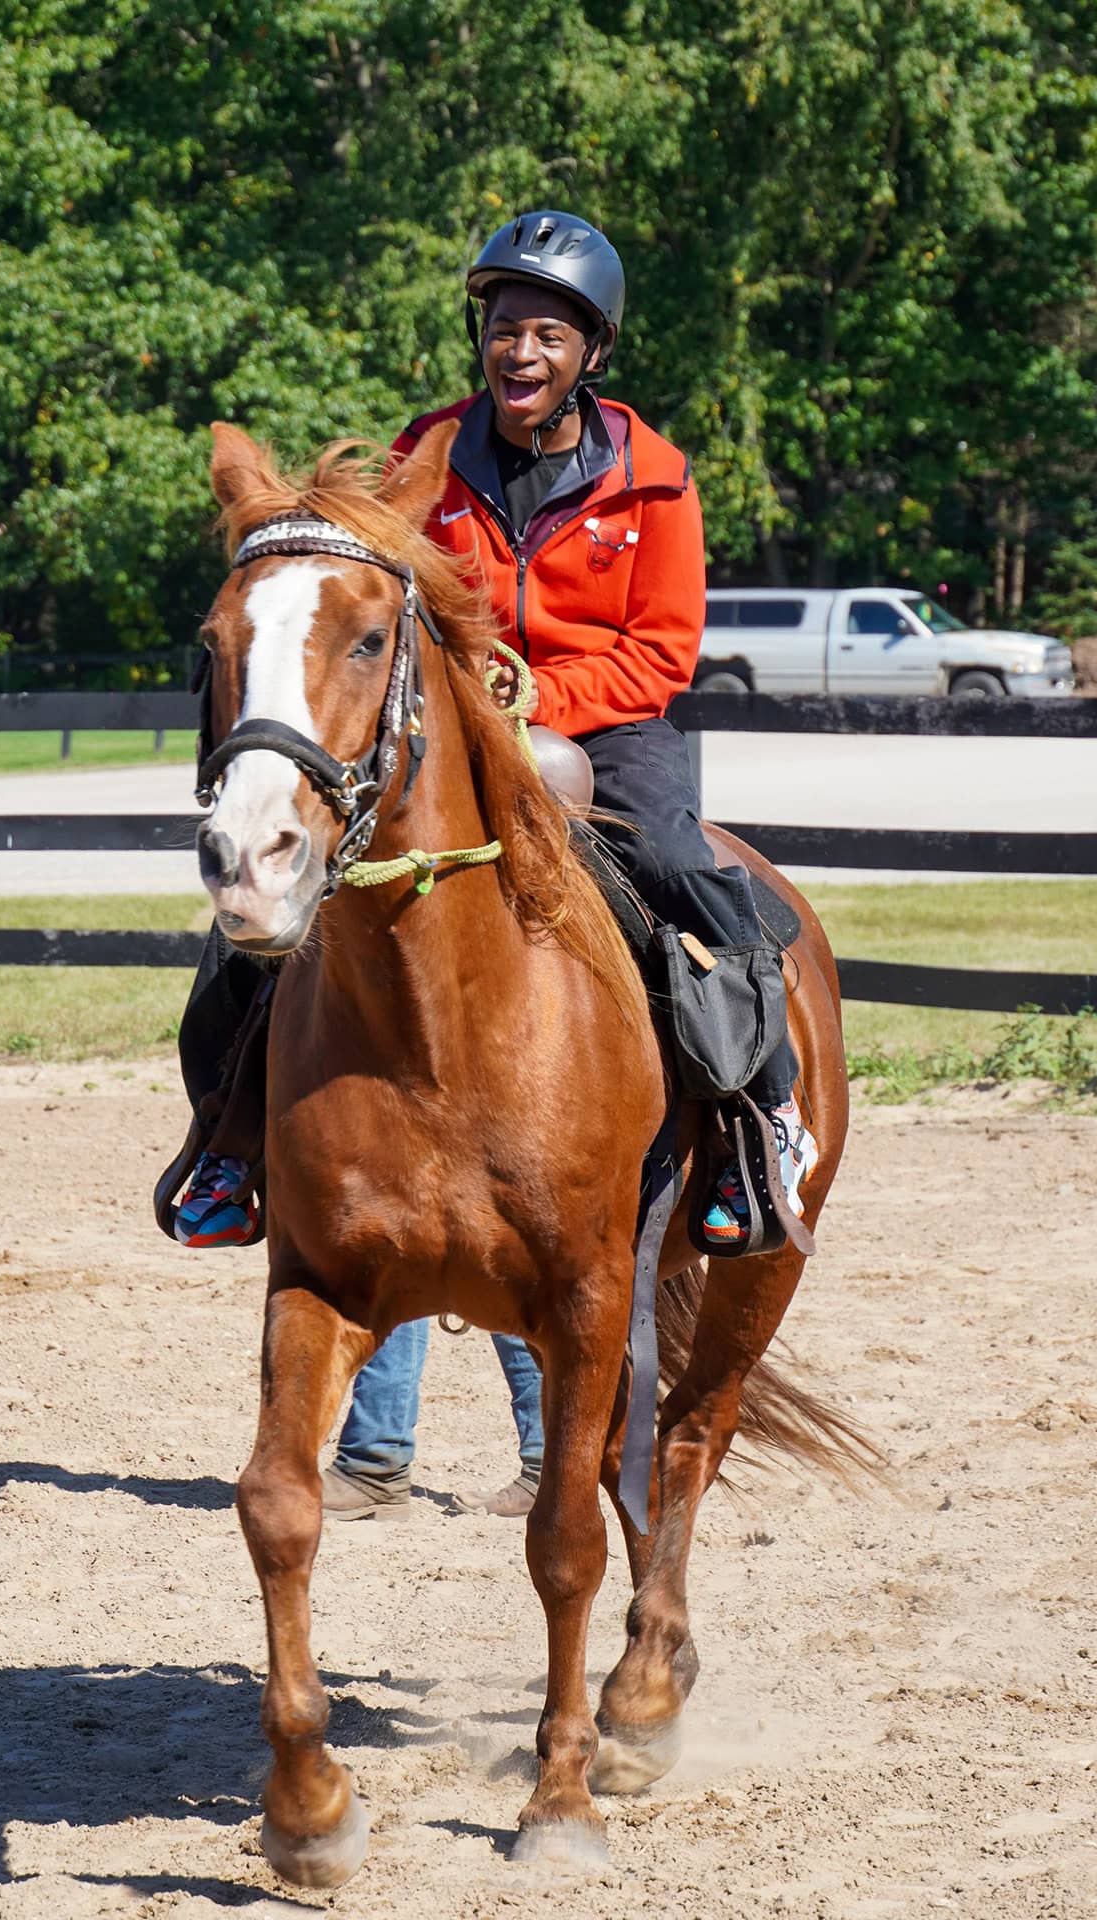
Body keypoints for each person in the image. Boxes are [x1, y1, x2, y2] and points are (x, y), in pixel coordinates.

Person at [161, 209, 818, 1518]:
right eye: (505, 326)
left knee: (704, 888)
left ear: (589, 350)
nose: (522, 348)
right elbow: (378, 605)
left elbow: (664, 645)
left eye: (548, 330)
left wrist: (546, 699)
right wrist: (472, 701)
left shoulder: (657, 474)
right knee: (278, 941)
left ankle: (753, 1139)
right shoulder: (426, 460)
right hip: (451, 735)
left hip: (605, 733)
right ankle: (230, 1142)